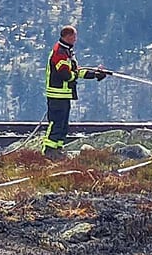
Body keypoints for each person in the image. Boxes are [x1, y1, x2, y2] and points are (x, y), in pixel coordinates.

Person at [42, 25, 108, 158]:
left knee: (63, 124)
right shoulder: (59, 53)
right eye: (74, 37)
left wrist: (95, 74)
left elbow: (77, 71)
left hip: (64, 95)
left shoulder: (67, 52)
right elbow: (66, 75)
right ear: (67, 36)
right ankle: (49, 150)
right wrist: (75, 74)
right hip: (56, 95)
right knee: (56, 123)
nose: (75, 40)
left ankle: (58, 149)